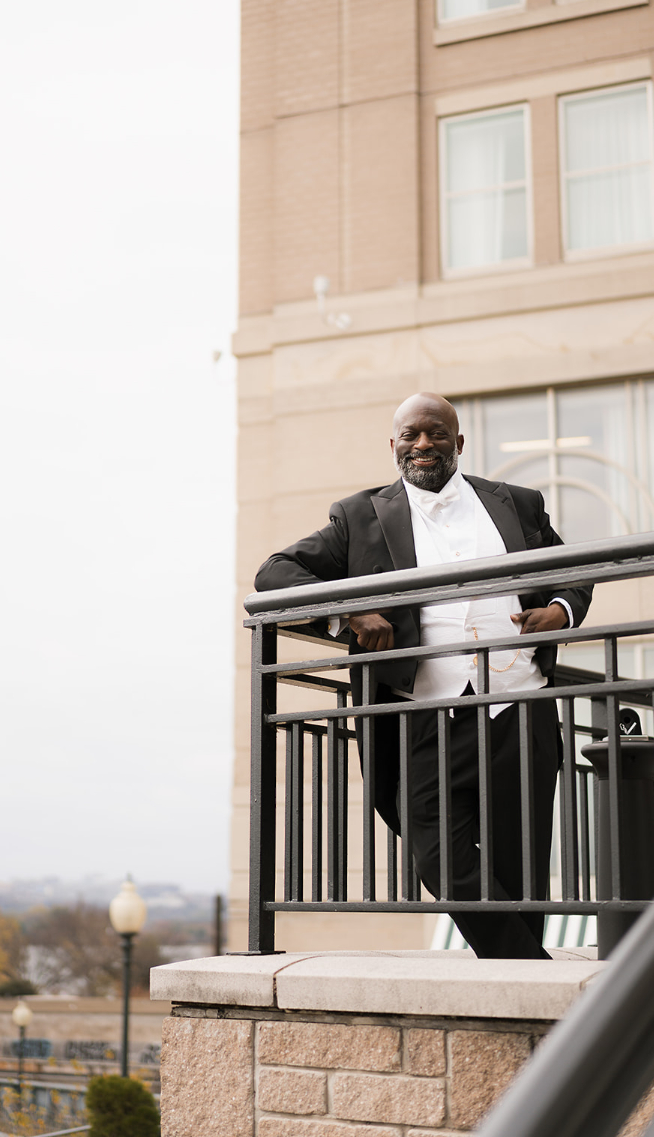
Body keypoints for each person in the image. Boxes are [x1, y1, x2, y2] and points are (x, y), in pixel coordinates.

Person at [254, 393, 592, 959]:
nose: (423, 444)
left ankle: (524, 988)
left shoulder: (517, 503)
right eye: (411, 435)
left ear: (457, 442)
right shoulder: (359, 516)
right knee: (432, 846)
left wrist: (561, 609)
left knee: (521, 863)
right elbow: (274, 573)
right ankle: (529, 967)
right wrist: (350, 612)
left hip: (520, 705)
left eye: (436, 433)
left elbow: (573, 570)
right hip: (423, 713)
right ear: (394, 445)